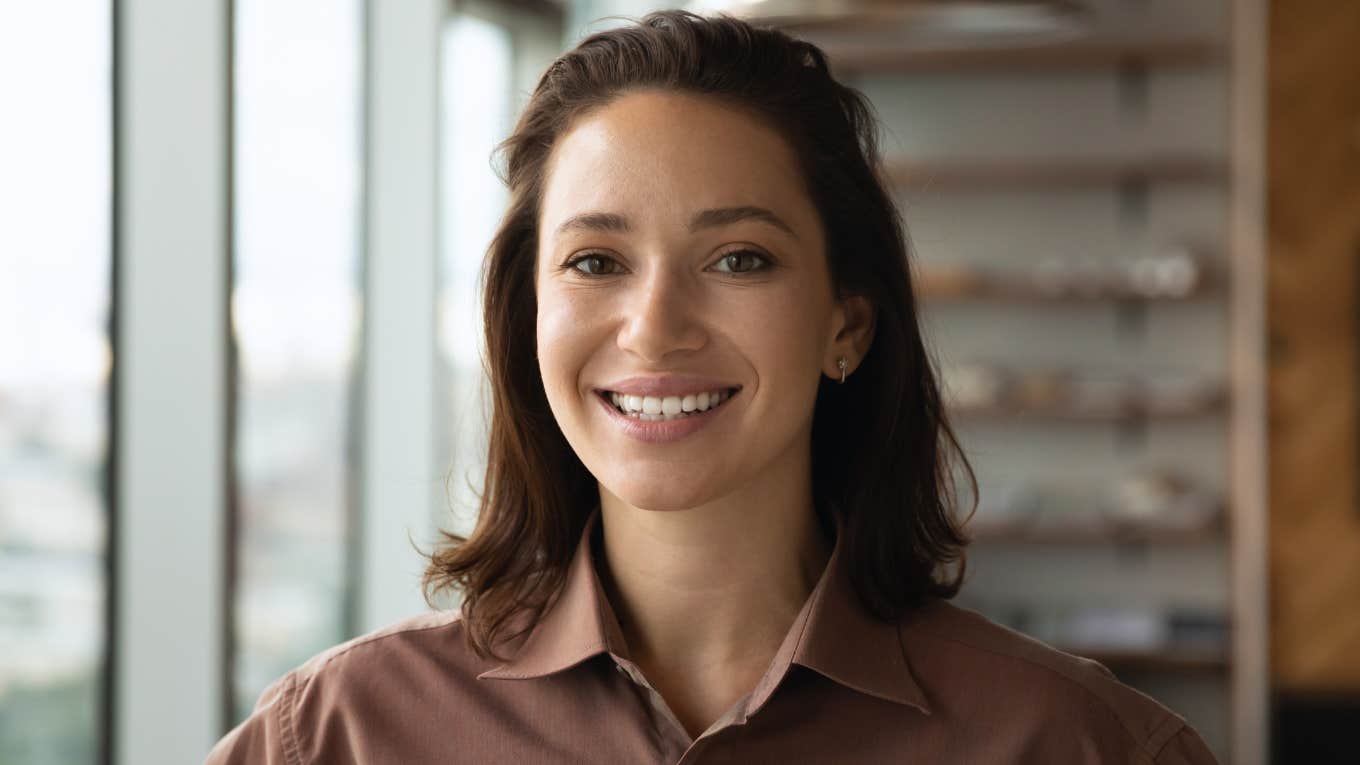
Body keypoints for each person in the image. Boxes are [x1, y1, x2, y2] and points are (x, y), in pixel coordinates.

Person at [206, 10, 1221, 764]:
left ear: (846, 323)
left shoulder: (1074, 743)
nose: (653, 326)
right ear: (527, 319)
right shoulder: (343, 734)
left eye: (738, 259)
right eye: (596, 262)